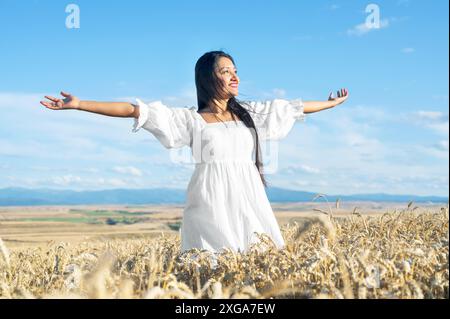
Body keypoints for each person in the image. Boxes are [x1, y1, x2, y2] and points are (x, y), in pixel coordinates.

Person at [40, 50, 349, 255]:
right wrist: (80, 104)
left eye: (236, 70)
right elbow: (135, 111)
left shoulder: (250, 114)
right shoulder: (189, 119)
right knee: (212, 261)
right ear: (207, 78)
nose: (235, 76)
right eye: (226, 71)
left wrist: (331, 104)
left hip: (249, 196)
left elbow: (292, 108)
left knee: (259, 255)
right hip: (209, 199)